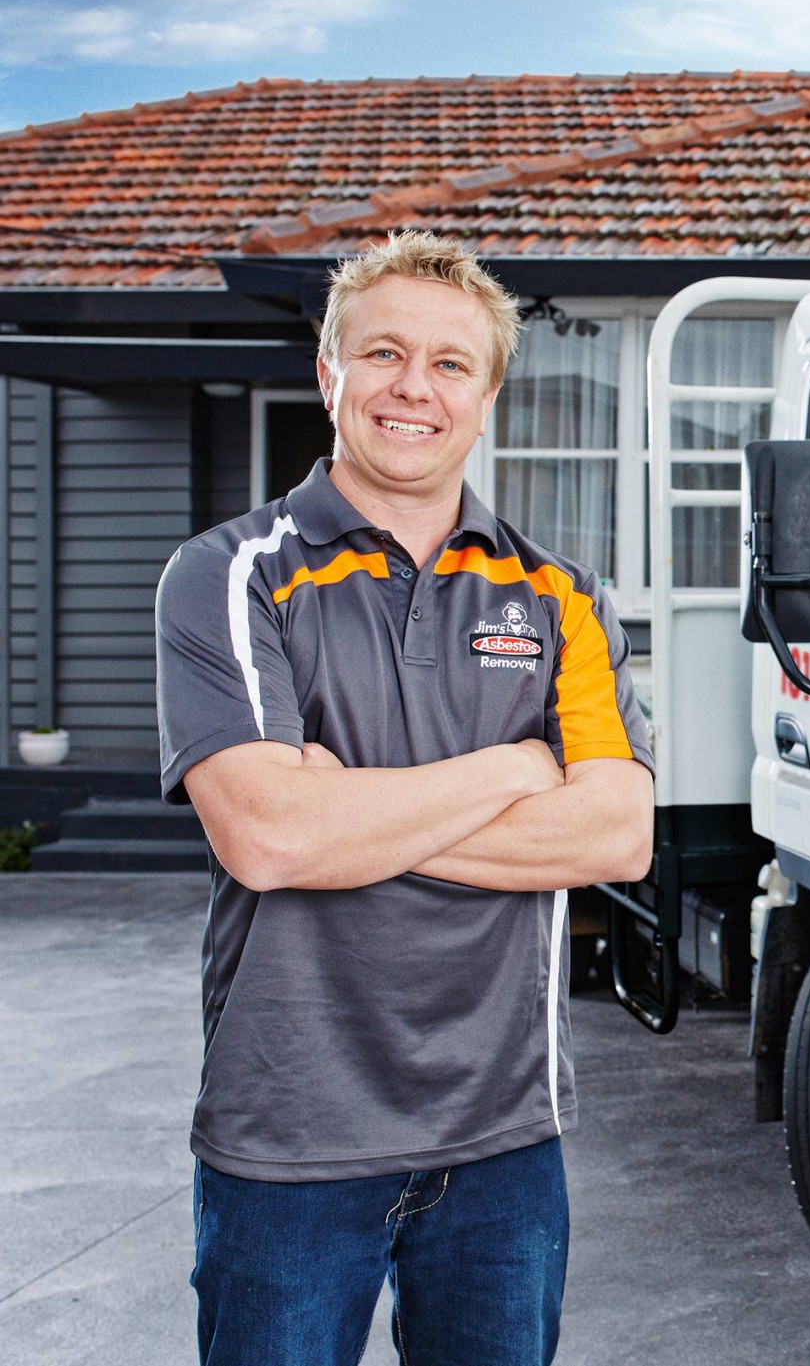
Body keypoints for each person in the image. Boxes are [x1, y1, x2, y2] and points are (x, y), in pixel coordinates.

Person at [155, 230, 655, 1365]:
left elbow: (618, 837)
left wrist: (353, 811)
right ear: (329, 373)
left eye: (449, 363)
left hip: (503, 1140)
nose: (413, 388)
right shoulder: (233, 573)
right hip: (286, 1137)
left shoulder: (560, 597)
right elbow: (271, 837)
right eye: (382, 353)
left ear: (485, 398)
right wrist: (514, 771)